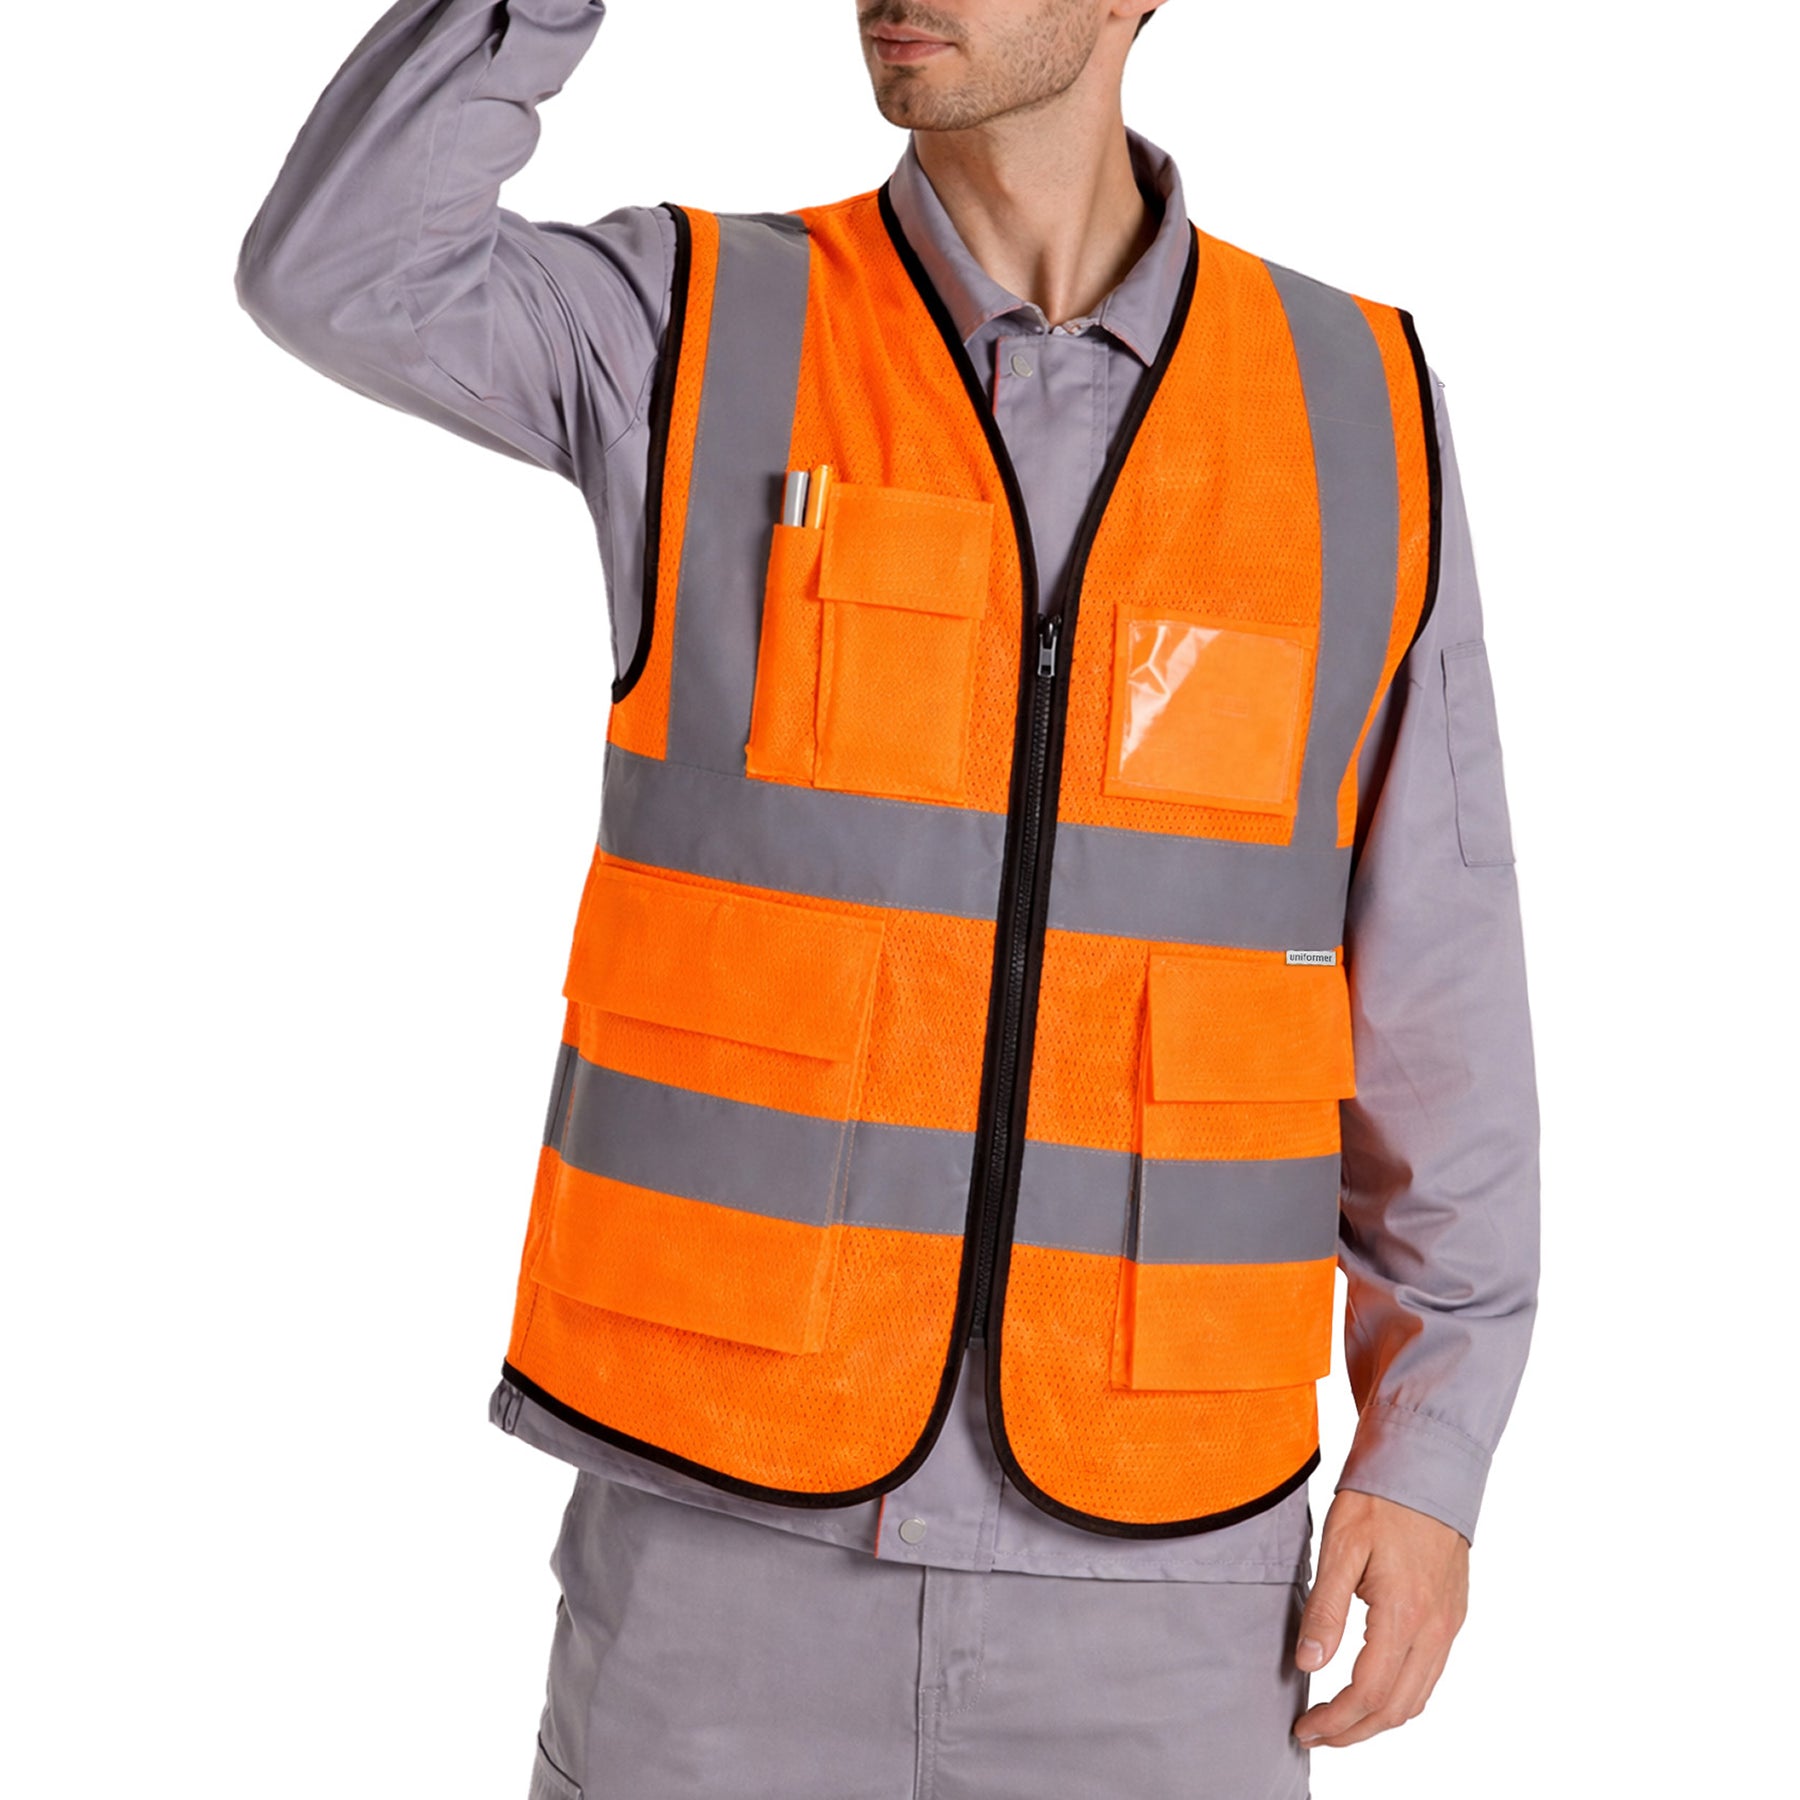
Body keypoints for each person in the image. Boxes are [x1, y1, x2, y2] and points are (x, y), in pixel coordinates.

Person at [235, 2, 1541, 1794]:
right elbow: (339, 268)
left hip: (1167, 1583)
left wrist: (1432, 1449)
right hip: (722, 1557)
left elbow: (1439, 969)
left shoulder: (1352, 401)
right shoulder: (694, 328)